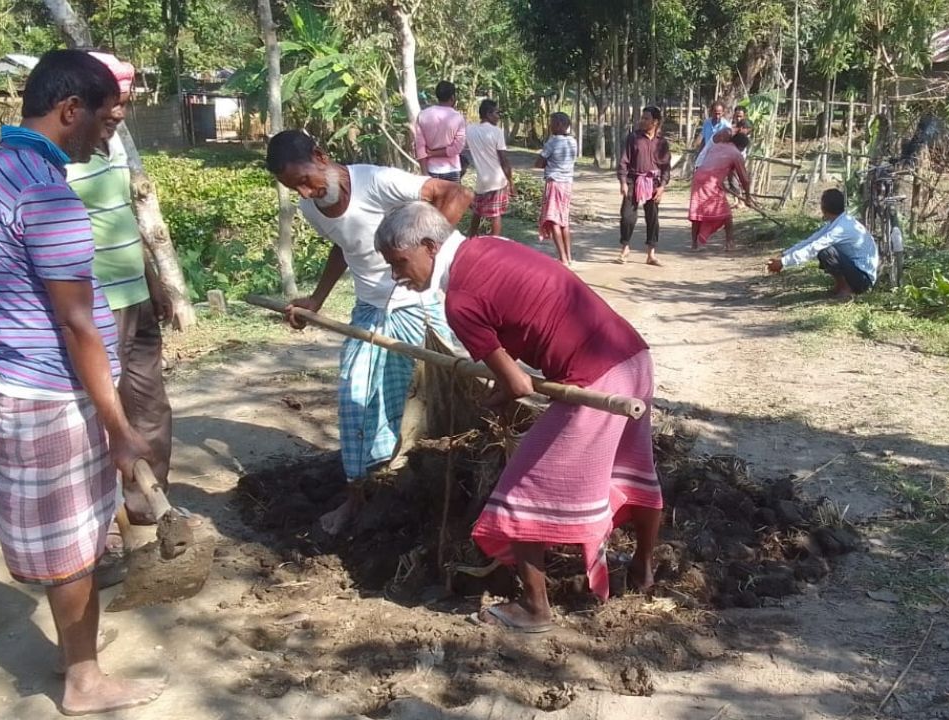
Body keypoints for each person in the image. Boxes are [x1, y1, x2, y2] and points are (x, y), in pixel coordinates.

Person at [0, 48, 166, 715]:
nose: (109, 132)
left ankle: (76, 658)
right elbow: (77, 325)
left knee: (56, 532)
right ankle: (83, 678)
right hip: (51, 391)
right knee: (73, 539)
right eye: (106, 119)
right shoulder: (46, 194)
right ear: (71, 109)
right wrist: (120, 428)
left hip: (8, 378)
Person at [375, 202, 663, 634]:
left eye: (400, 262)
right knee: (634, 469)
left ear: (430, 247)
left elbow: (519, 386)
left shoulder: (460, 302)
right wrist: (504, 386)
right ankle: (643, 570)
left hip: (597, 384)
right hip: (633, 358)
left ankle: (535, 608)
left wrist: (491, 403)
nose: (398, 274)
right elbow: (515, 357)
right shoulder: (488, 245)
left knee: (517, 493)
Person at [265, 130, 472, 535]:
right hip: (371, 313)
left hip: (422, 308)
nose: (305, 193)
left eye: (306, 180)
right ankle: (358, 497)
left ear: (321, 155)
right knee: (356, 396)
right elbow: (343, 245)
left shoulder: (376, 182)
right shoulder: (313, 209)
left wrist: (423, 255)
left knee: (438, 399)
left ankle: (441, 494)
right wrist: (316, 300)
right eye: (295, 189)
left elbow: (455, 194)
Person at [65, 52, 178, 531]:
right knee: (97, 417)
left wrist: (155, 282)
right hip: (95, 309)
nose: (118, 113)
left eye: (125, 103)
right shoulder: (60, 160)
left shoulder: (110, 147)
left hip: (134, 297)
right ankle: (100, 527)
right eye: (111, 103)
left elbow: (122, 218)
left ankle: (152, 511)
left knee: (149, 407)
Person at [766, 188, 879, 301]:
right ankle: (841, 286)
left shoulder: (840, 228)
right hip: (859, 273)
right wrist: (784, 255)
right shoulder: (839, 222)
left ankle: (846, 289)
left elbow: (813, 248)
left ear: (824, 208)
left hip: (864, 279)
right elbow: (811, 241)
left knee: (826, 252)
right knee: (824, 250)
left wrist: (783, 262)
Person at [617, 106, 671, 266]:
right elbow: (624, 161)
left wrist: (662, 186)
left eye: (646, 118)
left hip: (654, 182)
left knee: (652, 217)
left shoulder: (662, 142)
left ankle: (651, 254)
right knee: (627, 216)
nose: (642, 121)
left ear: (655, 122)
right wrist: (623, 182)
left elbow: (666, 166)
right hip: (633, 180)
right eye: (642, 117)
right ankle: (625, 248)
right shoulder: (633, 138)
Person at [689, 129, 752, 252]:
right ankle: (730, 243)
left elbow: (713, 165)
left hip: (698, 178)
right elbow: (744, 179)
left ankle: (694, 244)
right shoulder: (736, 154)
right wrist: (748, 198)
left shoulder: (717, 146)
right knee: (727, 215)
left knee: (698, 212)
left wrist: (720, 182)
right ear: (741, 147)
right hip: (710, 183)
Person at [466, 98, 514, 237]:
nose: (498, 117)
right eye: (496, 113)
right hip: (497, 179)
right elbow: (503, 160)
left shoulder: (470, 129)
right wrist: (511, 182)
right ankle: (495, 243)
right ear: (488, 114)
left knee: (477, 211)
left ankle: (471, 238)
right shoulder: (497, 132)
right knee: (496, 214)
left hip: (482, 180)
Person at [535, 112, 577, 266]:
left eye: (552, 123)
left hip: (554, 183)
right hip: (567, 184)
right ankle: (569, 256)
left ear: (559, 125)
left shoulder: (552, 142)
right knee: (564, 221)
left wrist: (548, 162)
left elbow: (538, 163)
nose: (549, 126)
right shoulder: (573, 141)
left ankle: (562, 258)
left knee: (553, 220)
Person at [414, 80, 466, 182]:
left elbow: (419, 147)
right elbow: (457, 149)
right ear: (452, 97)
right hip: (452, 170)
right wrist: (432, 153)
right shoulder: (458, 117)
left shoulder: (423, 115)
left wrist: (424, 173)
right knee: (453, 198)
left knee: (432, 199)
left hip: (431, 170)